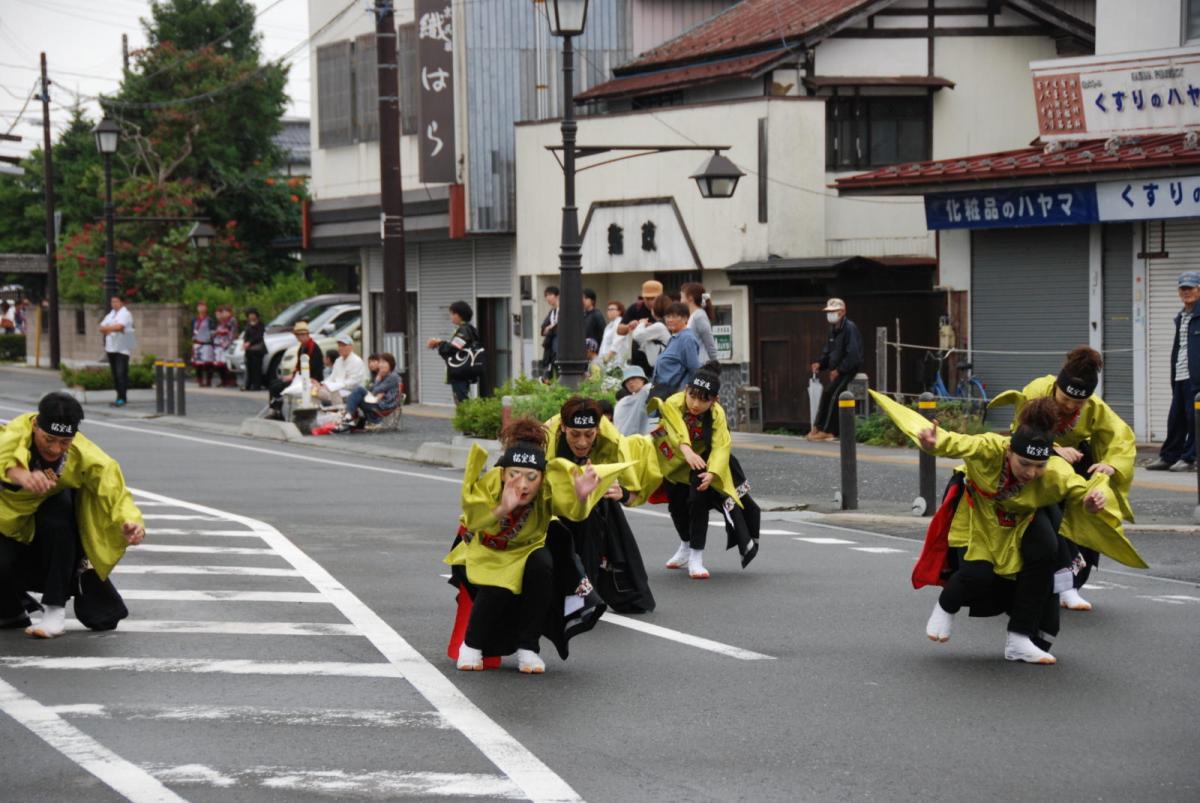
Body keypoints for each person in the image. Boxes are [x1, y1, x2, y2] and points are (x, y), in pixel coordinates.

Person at [870, 390, 1146, 665]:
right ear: (1010, 451)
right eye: (1024, 463)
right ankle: (946, 607)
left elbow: (1082, 491)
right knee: (978, 574)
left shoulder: (1055, 470)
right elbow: (956, 443)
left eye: (1039, 466)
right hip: (979, 515)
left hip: (1022, 520)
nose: (1030, 473)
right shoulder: (990, 448)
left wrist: (1093, 501)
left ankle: (1020, 639)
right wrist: (933, 443)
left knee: (1045, 554)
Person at [444, 417, 630, 673]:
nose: (523, 484)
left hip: (528, 548)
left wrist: (581, 496)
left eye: (531, 477)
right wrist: (503, 508)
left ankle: (528, 647)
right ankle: (472, 645)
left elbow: (573, 513)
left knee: (543, 567)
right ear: (503, 472)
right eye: (514, 475)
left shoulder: (546, 487)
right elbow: (474, 519)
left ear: (542, 477)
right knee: (497, 588)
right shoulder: (492, 482)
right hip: (490, 550)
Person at [991, 347, 1137, 612]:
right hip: (1036, 462)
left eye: (1078, 403)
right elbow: (1023, 432)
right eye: (1065, 398)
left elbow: (1121, 436)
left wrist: (1111, 464)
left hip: (1076, 462)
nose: (1070, 406)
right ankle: (1029, 582)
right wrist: (1055, 449)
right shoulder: (1037, 390)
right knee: (1047, 522)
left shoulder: (1095, 407)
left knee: (1090, 513)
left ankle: (1072, 585)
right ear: (1057, 386)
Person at [0, 392, 145, 638]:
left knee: (60, 507)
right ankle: (10, 610)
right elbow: (4, 456)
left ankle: (54, 610)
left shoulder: (82, 452)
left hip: (49, 530)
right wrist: (21, 476)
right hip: (6, 522)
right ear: (36, 426)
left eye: (65, 442)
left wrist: (130, 521)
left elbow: (113, 487)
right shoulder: (14, 433)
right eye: (49, 439)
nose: (55, 448)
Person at [545, 397, 661, 613]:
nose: (582, 443)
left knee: (602, 509)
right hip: (551, 506)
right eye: (575, 434)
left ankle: (590, 589)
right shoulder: (546, 439)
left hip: (589, 507)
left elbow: (632, 494)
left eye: (589, 435)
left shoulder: (611, 440)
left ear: (597, 430)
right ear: (563, 427)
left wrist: (622, 493)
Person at [648, 362, 761, 578]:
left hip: (702, 463)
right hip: (674, 461)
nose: (695, 404)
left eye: (703, 400)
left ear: (715, 400)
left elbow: (722, 445)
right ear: (686, 390)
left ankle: (696, 556)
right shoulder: (673, 403)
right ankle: (685, 545)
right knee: (676, 507)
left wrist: (713, 472)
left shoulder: (717, 414)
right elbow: (676, 430)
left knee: (697, 503)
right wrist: (686, 450)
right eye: (692, 396)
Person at [1146, 271, 1200, 473]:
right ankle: (1169, 456)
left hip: (1196, 378)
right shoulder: (1181, 317)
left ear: (1199, 290)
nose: (1186, 292)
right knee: (1176, 418)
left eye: (1191, 288)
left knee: (1194, 419)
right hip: (1181, 375)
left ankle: (1190, 458)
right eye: (1183, 289)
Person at [807, 298, 863, 441]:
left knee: (834, 395)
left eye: (833, 311)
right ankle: (817, 427)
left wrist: (839, 370)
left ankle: (829, 431)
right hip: (837, 369)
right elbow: (828, 352)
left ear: (842, 312)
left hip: (848, 370)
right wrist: (820, 364)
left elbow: (853, 355)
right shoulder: (833, 330)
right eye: (828, 311)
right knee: (827, 394)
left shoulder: (849, 328)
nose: (830, 314)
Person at [427, 300, 481, 405]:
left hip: (460, 372)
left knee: (462, 402)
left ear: (458, 315)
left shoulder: (464, 330)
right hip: (465, 370)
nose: (451, 317)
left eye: (452, 314)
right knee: (463, 400)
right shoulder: (469, 329)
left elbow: (452, 348)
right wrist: (441, 343)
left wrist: (438, 343)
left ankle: (465, 416)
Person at [266, 321, 325, 417]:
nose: (299, 338)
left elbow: (315, 369)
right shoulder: (302, 347)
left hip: (311, 379)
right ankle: (275, 409)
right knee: (273, 383)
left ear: (306, 334)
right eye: (298, 335)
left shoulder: (314, 348)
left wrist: (294, 377)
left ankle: (277, 411)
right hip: (301, 376)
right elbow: (298, 366)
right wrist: (291, 375)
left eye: (301, 335)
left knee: (277, 387)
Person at [651, 301, 701, 397]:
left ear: (685, 318)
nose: (670, 320)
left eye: (674, 316)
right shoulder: (674, 338)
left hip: (674, 394)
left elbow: (694, 369)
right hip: (661, 391)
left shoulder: (687, 339)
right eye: (667, 316)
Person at [339, 352, 401, 430]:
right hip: (379, 403)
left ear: (390, 364)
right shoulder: (385, 375)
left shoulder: (392, 377)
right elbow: (373, 390)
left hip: (383, 406)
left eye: (384, 362)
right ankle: (352, 418)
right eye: (380, 362)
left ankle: (348, 417)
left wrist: (378, 379)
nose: (381, 365)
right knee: (356, 395)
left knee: (359, 390)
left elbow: (375, 390)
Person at [617, 280, 663, 374]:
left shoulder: (666, 309)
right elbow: (619, 330)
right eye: (647, 298)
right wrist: (629, 326)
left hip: (660, 359)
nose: (649, 302)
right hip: (638, 360)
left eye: (653, 298)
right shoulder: (636, 308)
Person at [98, 295, 134, 408]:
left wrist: (108, 328)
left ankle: (122, 397)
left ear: (121, 302)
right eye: (112, 302)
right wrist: (111, 328)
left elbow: (120, 327)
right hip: (111, 348)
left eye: (116, 301)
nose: (114, 304)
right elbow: (101, 328)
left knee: (121, 373)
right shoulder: (110, 314)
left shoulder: (125, 314)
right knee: (115, 374)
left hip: (122, 348)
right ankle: (118, 396)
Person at [316, 334, 367, 406]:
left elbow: (352, 382)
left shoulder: (357, 361)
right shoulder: (338, 361)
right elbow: (332, 377)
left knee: (333, 392)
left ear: (350, 347)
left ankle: (339, 411)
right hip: (338, 389)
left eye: (343, 345)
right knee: (317, 390)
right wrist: (322, 384)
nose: (340, 348)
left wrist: (333, 386)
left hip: (352, 392)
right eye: (339, 346)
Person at [631, 294, 672, 371]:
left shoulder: (659, 326)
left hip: (660, 368)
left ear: (656, 309)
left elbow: (636, 335)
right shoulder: (665, 325)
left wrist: (641, 323)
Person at [681, 282, 719, 363]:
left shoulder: (699, 316)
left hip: (702, 364)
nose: (680, 300)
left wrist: (715, 363)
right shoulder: (693, 316)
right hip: (694, 363)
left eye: (682, 296)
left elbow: (709, 343)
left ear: (690, 298)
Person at [613, 365, 653, 436]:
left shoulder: (648, 390)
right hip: (633, 440)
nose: (630, 382)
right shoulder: (623, 402)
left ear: (642, 379)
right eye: (627, 381)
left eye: (633, 378)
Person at [211, 304, 239, 387]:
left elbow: (232, 334)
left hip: (228, 344)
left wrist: (227, 343)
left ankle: (231, 381)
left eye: (225, 312)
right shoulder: (222, 322)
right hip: (220, 345)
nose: (223, 314)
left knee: (227, 363)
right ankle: (224, 380)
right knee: (220, 364)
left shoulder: (232, 320)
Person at [190, 301, 217, 387]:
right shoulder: (194, 320)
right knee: (198, 364)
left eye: (203, 306)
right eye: (199, 306)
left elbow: (213, 331)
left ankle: (208, 381)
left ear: (206, 308)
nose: (201, 308)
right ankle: (200, 381)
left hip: (207, 344)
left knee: (208, 364)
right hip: (197, 343)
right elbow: (192, 331)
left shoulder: (209, 320)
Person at [241, 307, 267, 391]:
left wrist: (250, 342)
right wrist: (245, 343)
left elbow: (259, 336)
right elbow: (246, 335)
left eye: (253, 314)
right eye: (250, 315)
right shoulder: (248, 325)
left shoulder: (261, 324)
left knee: (257, 368)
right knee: (249, 367)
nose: (251, 316)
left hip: (257, 349)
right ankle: (248, 384)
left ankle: (256, 385)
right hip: (249, 350)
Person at [598, 300, 628, 366]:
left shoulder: (620, 322)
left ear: (619, 311)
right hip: (606, 362)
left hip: (616, 361)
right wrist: (600, 360)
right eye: (608, 310)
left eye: (612, 309)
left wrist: (607, 358)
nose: (609, 311)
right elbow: (603, 345)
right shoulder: (608, 326)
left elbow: (617, 342)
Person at [540, 286, 560, 379]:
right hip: (551, 349)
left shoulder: (564, 311)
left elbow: (558, 327)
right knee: (549, 374)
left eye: (550, 294)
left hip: (560, 349)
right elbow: (543, 330)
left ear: (557, 296)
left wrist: (550, 328)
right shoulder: (552, 312)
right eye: (546, 295)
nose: (547, 297)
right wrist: (550, 327)